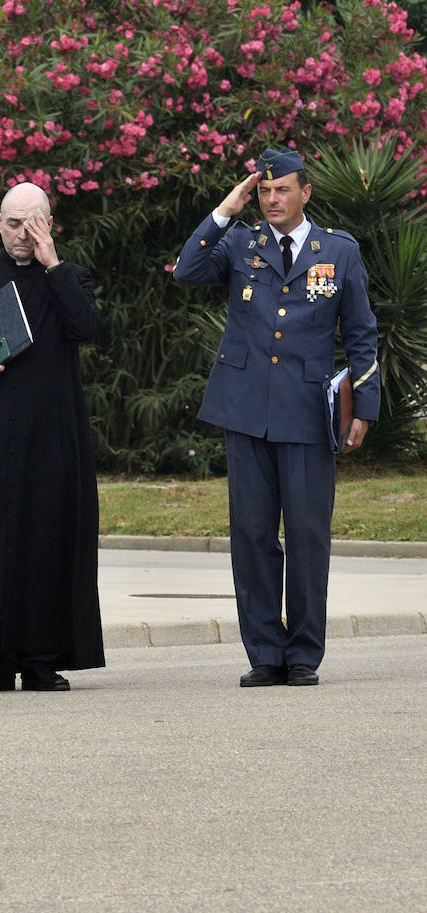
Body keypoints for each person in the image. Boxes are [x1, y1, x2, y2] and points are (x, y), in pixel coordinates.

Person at [174, 146, 380, 688]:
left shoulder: (338, 251)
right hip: (245, 410)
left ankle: (304, 653)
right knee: (252, 533)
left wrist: (365, 407)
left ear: (305, 192)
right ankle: (265, 651)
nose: (271, 199)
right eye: (262, 191)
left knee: (309, 534)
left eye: (281, 189)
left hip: (309, 413)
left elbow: (361, 334)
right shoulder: (242, 242)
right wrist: (226, 208)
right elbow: (187, 270)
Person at [0, 182, 105, 693]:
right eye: (13, 223)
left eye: (33, 223)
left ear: (49, 224)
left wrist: (52, 261)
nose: (22, 234)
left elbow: (87, 328)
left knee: (46, 538)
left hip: (51, 435)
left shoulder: (69, 277)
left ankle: (42, 658)